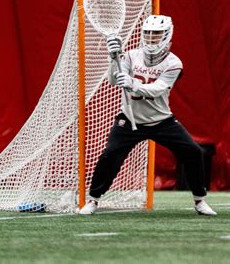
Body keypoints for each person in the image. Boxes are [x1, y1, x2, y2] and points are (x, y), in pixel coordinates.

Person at [78, 15, 216, 216]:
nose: (151, 38)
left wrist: (133, 83)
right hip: (129, 118)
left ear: (167, 35)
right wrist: (113, 58)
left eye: (157, 34)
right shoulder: (130, 56)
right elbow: (113, 81)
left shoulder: (173, 63)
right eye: (148, 34)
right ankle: (93, 200)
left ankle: (199, 200)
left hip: (161, 121)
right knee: (110, 155)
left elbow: (157, 89)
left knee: (193, 151)